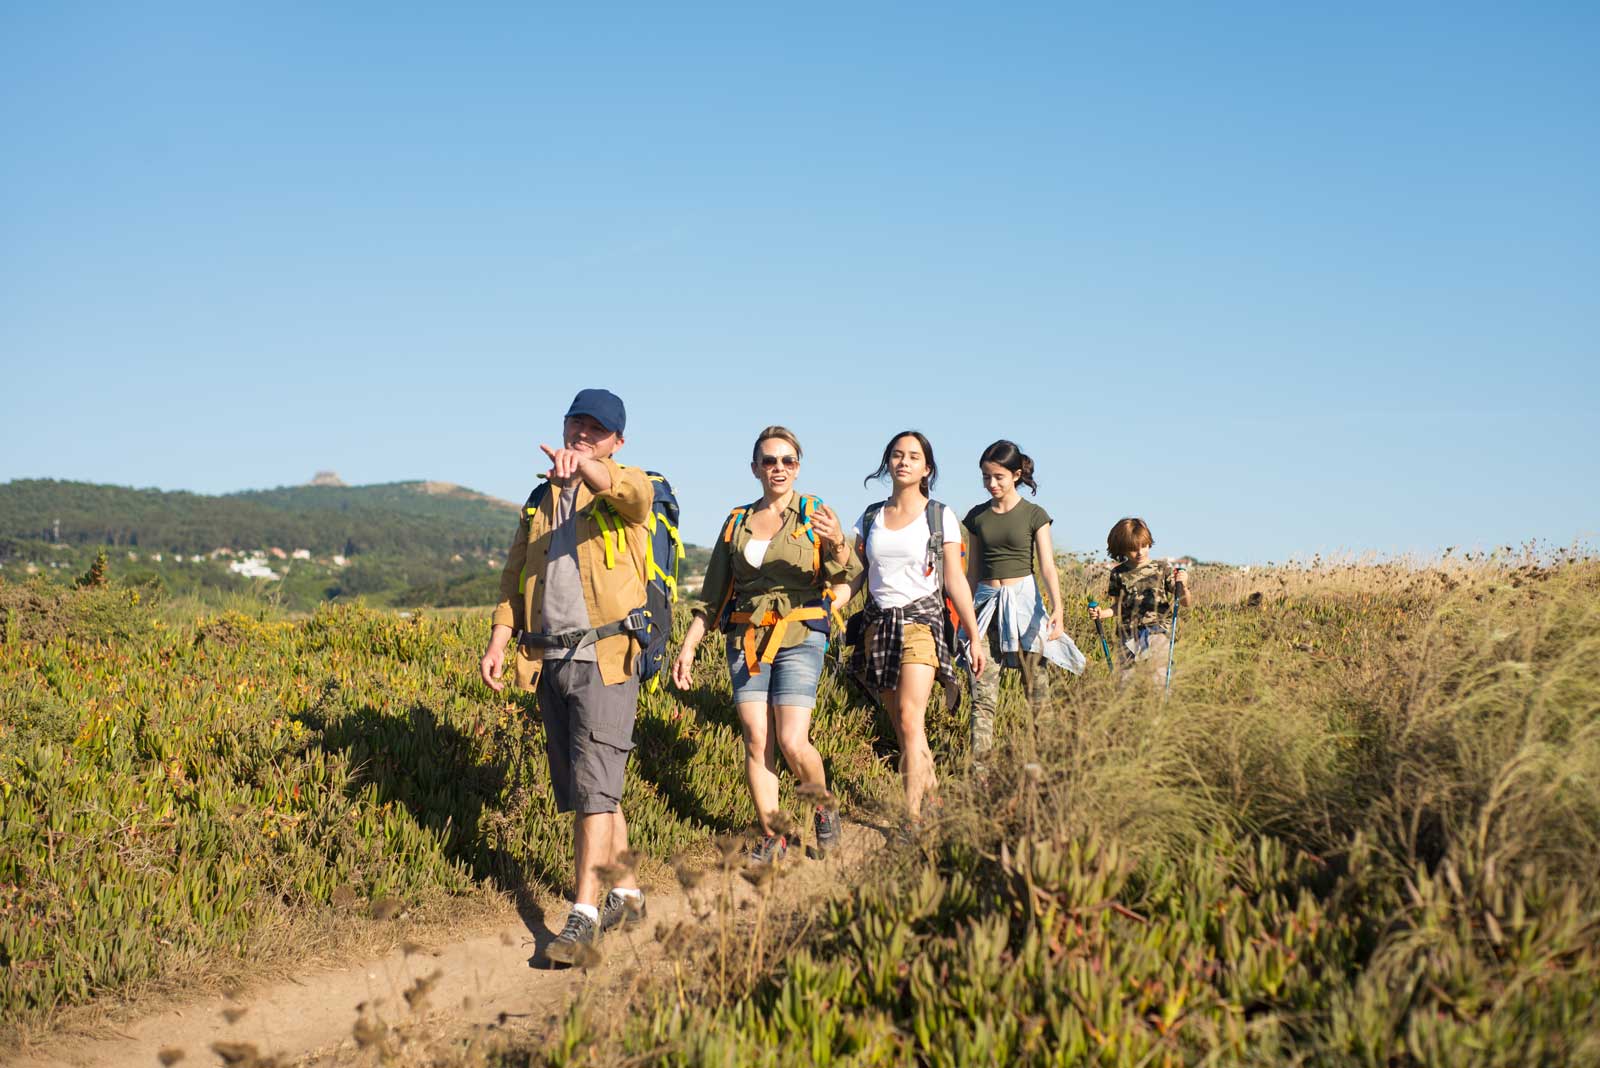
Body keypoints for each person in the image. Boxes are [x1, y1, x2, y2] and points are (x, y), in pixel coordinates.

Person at [478, 388, 653, 965]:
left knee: (593, 789)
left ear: (616, 441)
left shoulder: (630, 486)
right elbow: (513, 577)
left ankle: (582, 915)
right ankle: (627, 894)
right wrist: (501, 639)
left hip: (605, 658)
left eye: (596, 430)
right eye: (576, 424)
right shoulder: (538, 498)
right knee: (592, 784)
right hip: (548, 658)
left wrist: (589, 472)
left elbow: (626, 491)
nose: (582, 434)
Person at [672, 427, 857, 863]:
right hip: (746, 637)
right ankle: (774, 836)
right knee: (757, 739)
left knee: (792, 741)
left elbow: (847, 573)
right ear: (755, 467)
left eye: (787, 460)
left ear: (798, 466)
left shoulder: (814, 514)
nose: (778, 468)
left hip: (799, 634)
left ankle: (824, 808)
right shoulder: (736, 521)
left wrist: (837, 541)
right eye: (770, 460)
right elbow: (712, 595)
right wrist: (689, 646)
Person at [844, 430, 985, 829]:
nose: (903, 461)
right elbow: (857, 575)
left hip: (922, 623)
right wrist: (831, 602)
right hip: (877, 625)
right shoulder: (870, 516)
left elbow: (955, 580)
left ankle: (911, 819)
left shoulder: (939, 516)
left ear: (927, 468)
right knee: (906, 727)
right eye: (896, 455)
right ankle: (935, 794)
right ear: (887, 462)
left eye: (913, 456)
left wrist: (973, 636)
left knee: (909, 717)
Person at [963, 440, 1085, 773]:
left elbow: (1047, 565)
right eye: (986, 477)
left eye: (999, 477)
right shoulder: (976, 517)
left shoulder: (1034, 515)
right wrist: (965, 618)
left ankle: (1043, 765)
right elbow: (972, 571)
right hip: (986, 607)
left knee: (1037, 691)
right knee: (982, 695)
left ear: (1017, 475)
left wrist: (1057, 607)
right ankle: (980, 773)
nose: (992, 484)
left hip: (1024, 606)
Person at [1088, 517, 1191, 686]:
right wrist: (1102, 613)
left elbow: (1185, 602)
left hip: (1158, 632)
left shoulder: (1161, 568)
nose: (1140, 552)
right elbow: (1119, 606)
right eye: (1133, 549)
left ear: (1149, 543)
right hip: (1128, 634)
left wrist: (1184, 585)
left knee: (1158, 678)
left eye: (1144, 546)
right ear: (1122, 549)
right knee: (1125, 681)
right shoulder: (1118, 573)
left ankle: (1160, 709)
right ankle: (1129, 711)